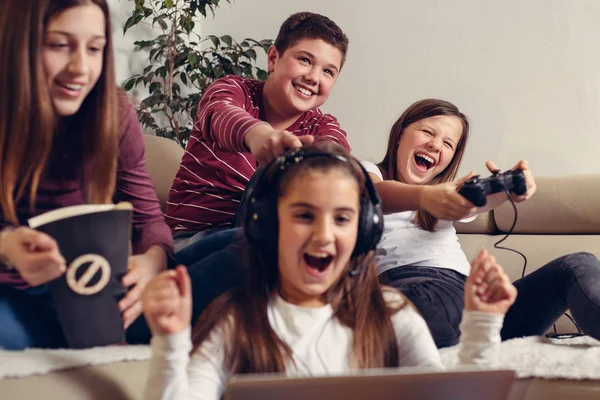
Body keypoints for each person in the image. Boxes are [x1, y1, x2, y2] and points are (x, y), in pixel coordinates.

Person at [141, 144, 517, 400]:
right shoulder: (238, 321)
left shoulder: (392, 314)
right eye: (304, 216)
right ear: (270, 227)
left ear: (365, 230)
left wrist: (481, 328)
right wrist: (170, 342)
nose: (323, 235)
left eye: (342, 218)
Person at [0, 0, 173, 350]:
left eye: (95, 49)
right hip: (12, 296)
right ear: (19, 43)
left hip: (95, 289)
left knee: (235, 250)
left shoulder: (115, 114)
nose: (81, 67)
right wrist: (7, 248)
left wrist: (152, 262)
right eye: (59, 45)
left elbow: (149, 219)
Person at [362, 98, 600, 348]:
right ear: (400, 135)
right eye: (427, 132)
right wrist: (426, 197)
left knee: (577, 264)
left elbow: (477, 202)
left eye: (447, 143)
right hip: (409, 286)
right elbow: (374, 194)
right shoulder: (370, 173)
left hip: (476, 304)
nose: (434, 145)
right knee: (417, 308)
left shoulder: (450, 193)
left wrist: (511, 188)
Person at [165, 11, 351, 254]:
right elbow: (222, 113)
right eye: (305, 60)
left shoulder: (324, 127)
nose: (314, 77)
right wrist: (259, 135)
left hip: (269, 244)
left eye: (328, 71)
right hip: (194, 238)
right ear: (273, 58)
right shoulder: (232, 90)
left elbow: (337, 157)